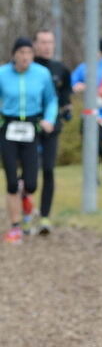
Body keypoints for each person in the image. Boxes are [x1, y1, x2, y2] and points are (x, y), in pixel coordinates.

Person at [0, 37, 57, 243]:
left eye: (28, 53)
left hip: (32, 127)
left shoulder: (41, 74)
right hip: (9, 127)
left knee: (31, 183)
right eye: (21, 53)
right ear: (14, 54)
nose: (25, 57)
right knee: (12, 182)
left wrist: (49, 119)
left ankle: (26, 196)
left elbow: (51, 100)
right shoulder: (3, 73)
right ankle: (15, 226)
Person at [32, 29, 72, 234]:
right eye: (43, 42)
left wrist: (66, 110)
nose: (47, 46)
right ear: (35, 44)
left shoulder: (60, 69)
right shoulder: (29, 67)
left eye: (50, 42)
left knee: (48, 169)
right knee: (28, 174)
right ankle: (26, 211)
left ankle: (45, 216)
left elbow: (65, 96)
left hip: (51, 127)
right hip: (29, 126)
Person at [71, 38, 102, 181]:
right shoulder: (83, 67)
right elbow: (73, 83)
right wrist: (78, 87)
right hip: (88, 113)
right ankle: (93, 175)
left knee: (99, 141)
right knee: (89, 144)